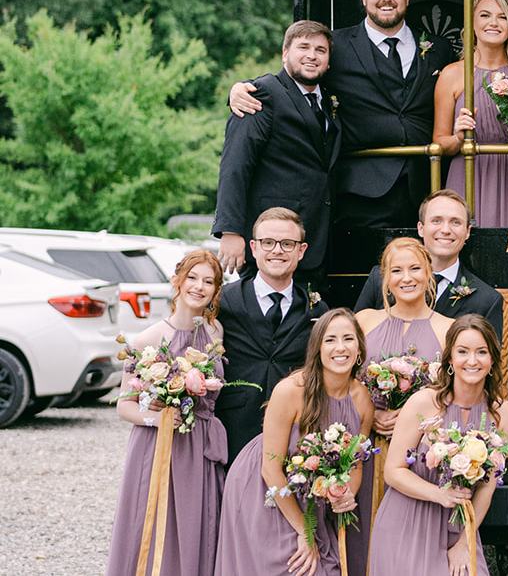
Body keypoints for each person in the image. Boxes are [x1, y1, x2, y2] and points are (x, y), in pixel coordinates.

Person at [230, 0, 455, 230]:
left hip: (427, 185)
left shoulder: (439, 48)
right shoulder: (336, 46)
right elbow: (294, 76)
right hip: (361, 192)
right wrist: (241, 88)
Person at [215, 308, 374, 576]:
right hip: (265, 489)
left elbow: (356, 465)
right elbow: (270, 469)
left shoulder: (362, 401)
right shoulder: (291, 391)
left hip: (313, 501)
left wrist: (346, 495)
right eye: (330, 340)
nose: (340, 348)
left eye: (348, 339)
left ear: (359, 348)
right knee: (294, 567)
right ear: (317, 348)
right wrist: (305, 530)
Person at [107, 251, 227, 576]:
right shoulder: (148, 339)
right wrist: (156, 418)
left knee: (195, 525)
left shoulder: (215, 334)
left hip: (199, 445)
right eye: (192, 278)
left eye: (208, 281)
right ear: (177, 281)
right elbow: (124, 405)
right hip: (159, 445)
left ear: (216, 291)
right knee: (155, 527)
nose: (199, 287)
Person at [369, 314, 508, 576]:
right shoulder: (423, 403)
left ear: (492, 360)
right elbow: (393, 472)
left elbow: (487, 486)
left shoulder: (503, 414)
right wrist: (439, 494)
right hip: (408, 524)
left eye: (481, 352)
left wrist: (465, 542)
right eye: (463, 351)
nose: (472, 361)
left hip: (458, 527)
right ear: (450, 359)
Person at [352, 237, 453, 574]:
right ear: (385, 279)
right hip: (368, 450)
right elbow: (344, 381)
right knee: (361, 538)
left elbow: (453, 396)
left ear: (429, 274)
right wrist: (373, 412)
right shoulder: (365, 321)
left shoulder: (448, 329)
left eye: (414, 269)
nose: (406, 277)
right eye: (396, 270)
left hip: (417, 462)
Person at [213, 20, 339, 287]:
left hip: (314, 240)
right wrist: (231, 231)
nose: (312, 56)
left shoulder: (328, 101)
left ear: (328, 61)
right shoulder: (261, 94)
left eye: (320, 50)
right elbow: (236, 165)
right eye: (303, 47)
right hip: (270, 241)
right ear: (285, 54)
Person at [215, 207, 329, 462]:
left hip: (294, 432)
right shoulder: (224, 302)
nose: (277, 250)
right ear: (253, 248)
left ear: (301, 251)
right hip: (234, 426)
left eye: (287, 243)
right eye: (268, 242)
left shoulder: (317, 309)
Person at [434, 0, 508, 228]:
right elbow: (439, 143)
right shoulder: (452, 74)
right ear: (471, 21)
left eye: (502, 17)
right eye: (485, 15)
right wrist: (458, 137)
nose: (494, 22)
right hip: (469, 170)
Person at [354, 190, 504, 337]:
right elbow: (355, 339)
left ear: (467, 231)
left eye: (455, 222)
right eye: (436, 221)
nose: (445, 230)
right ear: (420, 228)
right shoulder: (381, 278)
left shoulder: (487, 301)